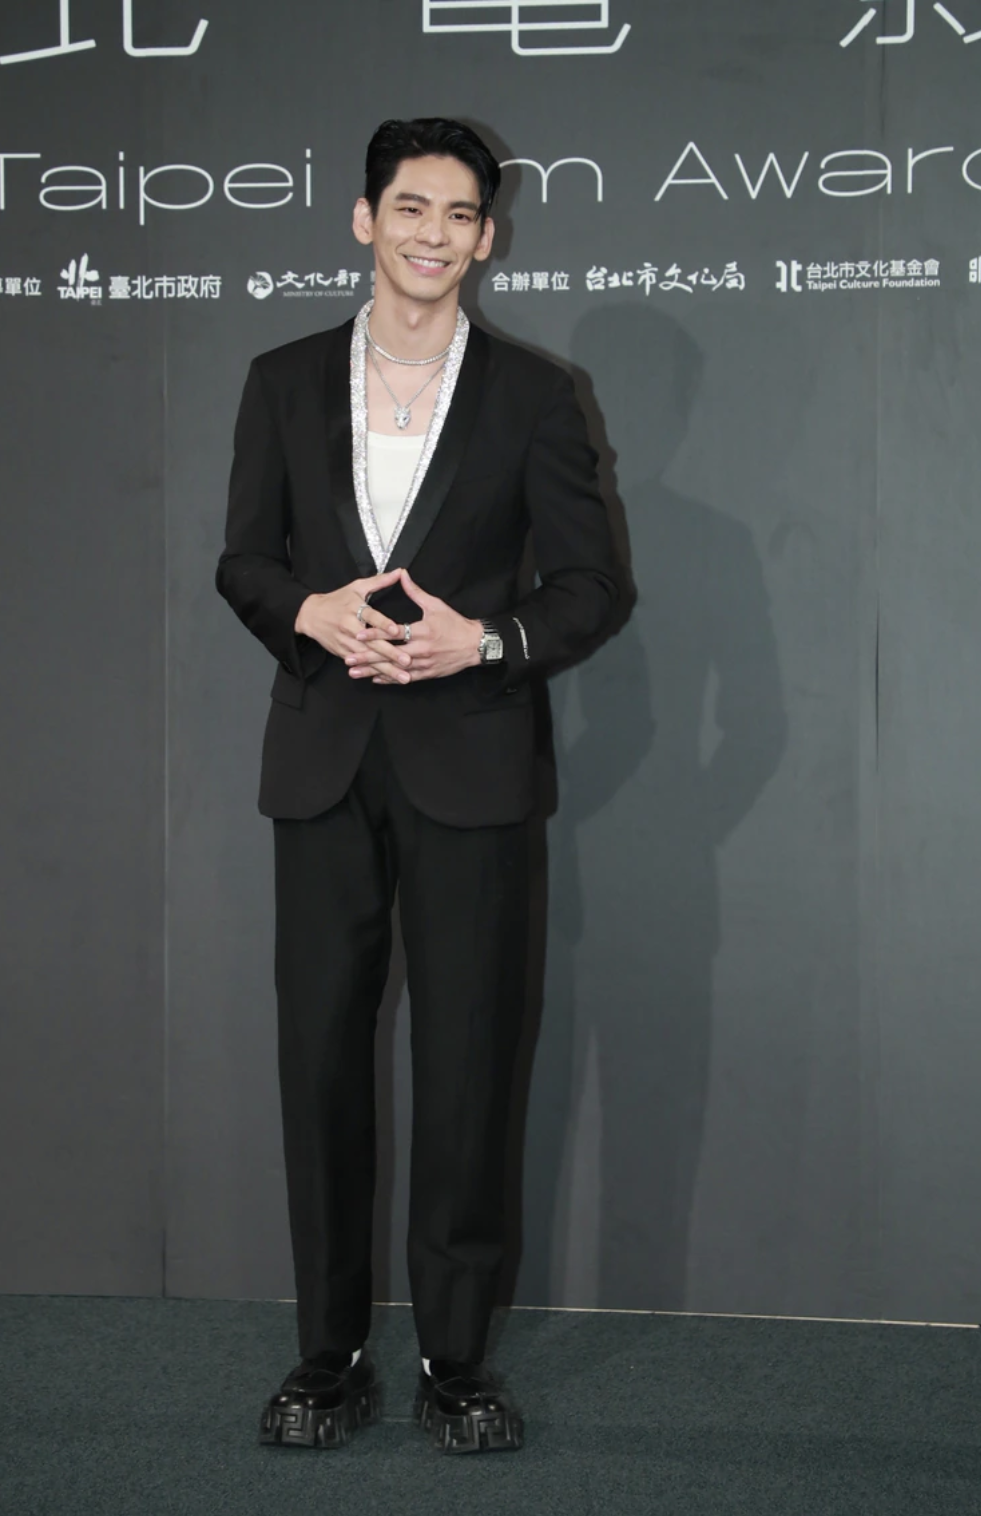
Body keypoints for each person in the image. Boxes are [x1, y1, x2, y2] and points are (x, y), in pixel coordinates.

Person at [217, 117, 618, 1455]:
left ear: (487, 237)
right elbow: (244, 560)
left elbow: (591, 588)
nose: (432, 234)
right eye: (410, 208)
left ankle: (457, 1360)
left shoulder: (536, 395)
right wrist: (309, 611)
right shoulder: (281, 380)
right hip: (323, 760)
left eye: (458, 214)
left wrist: (483, 642)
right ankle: (325, 1354)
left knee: (468, 1066)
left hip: (475, 763)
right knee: (320, 1062)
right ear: (364, 219)